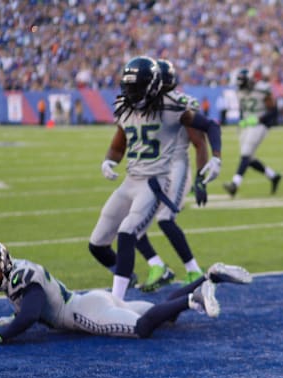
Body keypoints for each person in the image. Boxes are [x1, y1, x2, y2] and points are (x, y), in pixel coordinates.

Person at [88, 56, 222, 300]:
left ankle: (186, 270)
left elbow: (202, 137)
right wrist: (109, 160)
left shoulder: (174, 105)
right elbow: (119, 143)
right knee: (105, 239)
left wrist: (205, 173)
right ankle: (151, 268)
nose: (132, 93)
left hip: (166, 171)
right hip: (135, 176)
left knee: (152, 223)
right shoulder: (127, 108)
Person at [0, 240, 252, 349]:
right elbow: (27, 308)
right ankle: (209, 276)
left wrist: (0, 337)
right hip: (91, 301)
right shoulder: (18, 272)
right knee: (162, 311)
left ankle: (195, 299)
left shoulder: (21, 277)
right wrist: (8, 318)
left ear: (3, 262)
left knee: (142, 328)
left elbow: (29, 314)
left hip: (84, 313)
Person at [134, 59, 223, 291]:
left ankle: (194, 271)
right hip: (155, 168)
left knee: (164, 219)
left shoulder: (178, 104)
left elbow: (199, 142)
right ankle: (157, 266)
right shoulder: (149, 104)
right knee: (130, 222)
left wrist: (200, 180)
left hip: (176, 166)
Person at [222, 68, 282, 198]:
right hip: (247, 126)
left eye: (242, 83)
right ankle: (274, 176)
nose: (241, 86)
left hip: (259, 125)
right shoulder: (239, 92)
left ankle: (234, 184)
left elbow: (274, 111)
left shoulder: (262, 90)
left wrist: (259, 119)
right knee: (249, 159)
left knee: (245, 154)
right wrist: (243, 120)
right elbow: (243, 110)